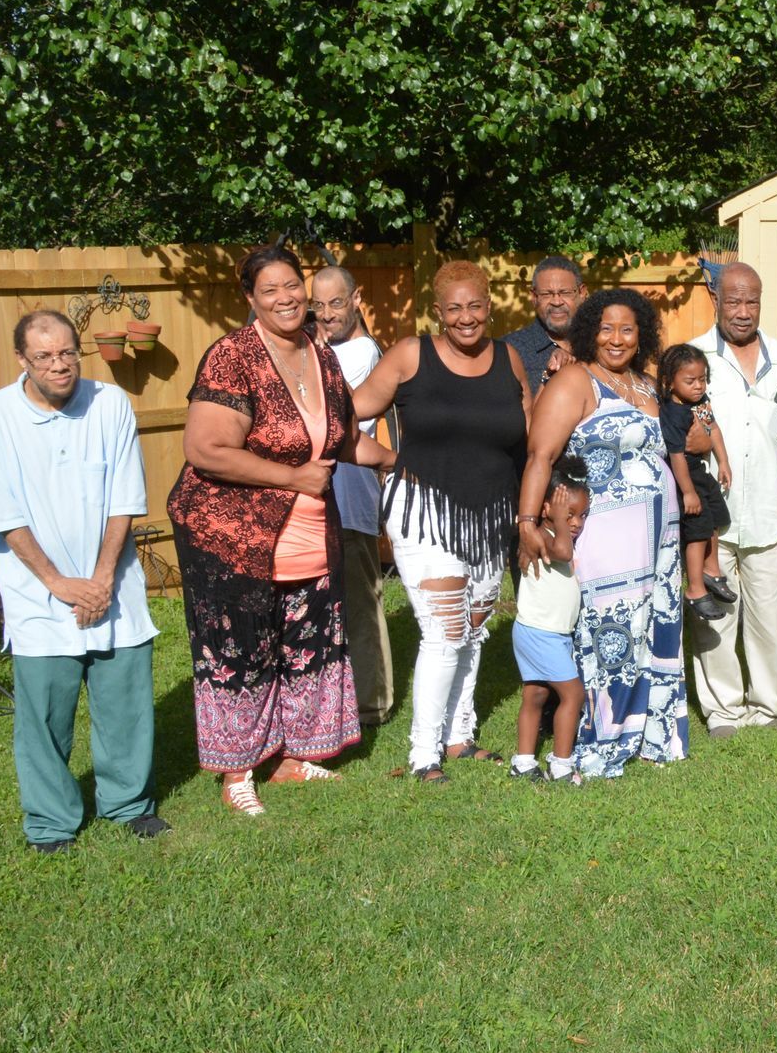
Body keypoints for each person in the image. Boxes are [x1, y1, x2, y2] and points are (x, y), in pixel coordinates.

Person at [168, 245, 373, 815]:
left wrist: (406, 463)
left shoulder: (322, 355)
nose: (285, 298)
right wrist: (292, 477)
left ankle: (287, 759)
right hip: (231, 535)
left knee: (302, 643)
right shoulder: (232, 356)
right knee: (241, 649)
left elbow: (346, 441)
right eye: (270, 290)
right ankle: (237, 771)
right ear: (250, 298)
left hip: (306, 531)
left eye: (291, 286)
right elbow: (205, 449)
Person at [352, 260, 531, 783]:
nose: (466, 317)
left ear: (489, 306)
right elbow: (343, 416)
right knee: (445, 630)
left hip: (490, 512)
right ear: (437, 312)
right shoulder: (411, 355)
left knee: (473, 628)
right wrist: (387, 459)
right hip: (424, 510)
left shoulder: (509, 359)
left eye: (475, 306)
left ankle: (459, 737)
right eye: (454, 309)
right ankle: (423, 753)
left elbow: (528, 432)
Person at [0, 310, 164, 851]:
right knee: (43, 718)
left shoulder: (110, 403)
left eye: (67, 352)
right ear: (22, 359)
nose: (59, 365)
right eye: (44, 356)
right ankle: (50, 823)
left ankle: (128, 804)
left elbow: (125, 497)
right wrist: (58, 583)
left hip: (114, 586)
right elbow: (4, 515)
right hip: (37, 594)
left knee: (125, 706)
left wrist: (102, 578)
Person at [519, 289, 687, 772]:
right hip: (604, 538)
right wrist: (527, 521)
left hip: (659, 539)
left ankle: (650, 733)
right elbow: (540, 455)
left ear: (642, 335)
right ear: (590, 332)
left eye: (627, 329)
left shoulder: (648, 384)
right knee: (612, 629)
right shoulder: (576, 380)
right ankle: (602, 734)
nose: (616, 338)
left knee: (652, 625)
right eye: (606, 328)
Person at [685, 262, 777, 738]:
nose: (743, 311)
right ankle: (724, 709)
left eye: (751, 301)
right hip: (713, 519)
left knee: (769, 619)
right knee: (716, 618)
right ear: (716, 299)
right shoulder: (694, 357)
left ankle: (769, 707)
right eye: (733, 300)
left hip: (769, 512)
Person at [310, 264, 394, 727]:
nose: (326, 315)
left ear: (357, 298)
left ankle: (372, 704)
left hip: (351, 498)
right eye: (318, 306)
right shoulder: (322, 350)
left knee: (361, 605)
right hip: (321, 498)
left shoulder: (362, 353)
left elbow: (326, 407)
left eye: (336, 303)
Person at [511, 454, 591, 785]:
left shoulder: (555, 534)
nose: (575, 523)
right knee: (573, 695)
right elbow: (563, 553)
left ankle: (523, 762)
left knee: (536, 695)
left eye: (582, 515)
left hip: (545, 632)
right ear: (545, 509)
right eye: (568, 514)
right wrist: (559, 523)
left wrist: (561, 522)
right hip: (540, 631)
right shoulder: (539, 536)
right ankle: (561, 765)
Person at [659, 343, 734, 620]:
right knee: (697, 532)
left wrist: (723, 461)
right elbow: (676, 455)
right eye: (690, 381)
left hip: (701, 474)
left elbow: (712, 428)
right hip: (685, 477)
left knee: (714, 519)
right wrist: (688, 492)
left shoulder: (699, 403)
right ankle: (695, 589)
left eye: (702, 379)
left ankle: (711, 571)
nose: (698, 386)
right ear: (670, 381)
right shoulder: (673, 413)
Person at [503, 255, 587, 394]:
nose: (557, 302)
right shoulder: (510, 351)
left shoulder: (601, 345)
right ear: (534, 297)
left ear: (582, 293)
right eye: (546, 294)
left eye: (565, 293)